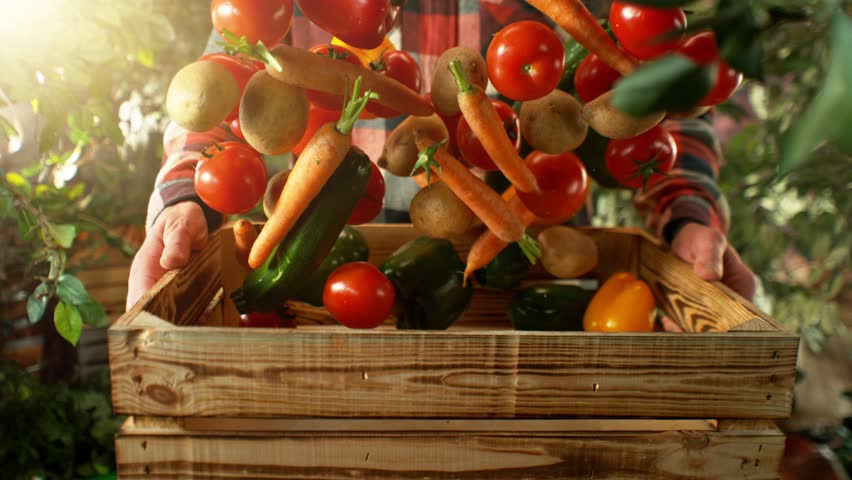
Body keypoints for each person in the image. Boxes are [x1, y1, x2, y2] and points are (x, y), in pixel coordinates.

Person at [127, 0, 757, 318]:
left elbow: (655, 89)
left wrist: (690, 214)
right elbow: (219, 82)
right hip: (327, 268)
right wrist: (182, 201)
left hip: (524, 266)